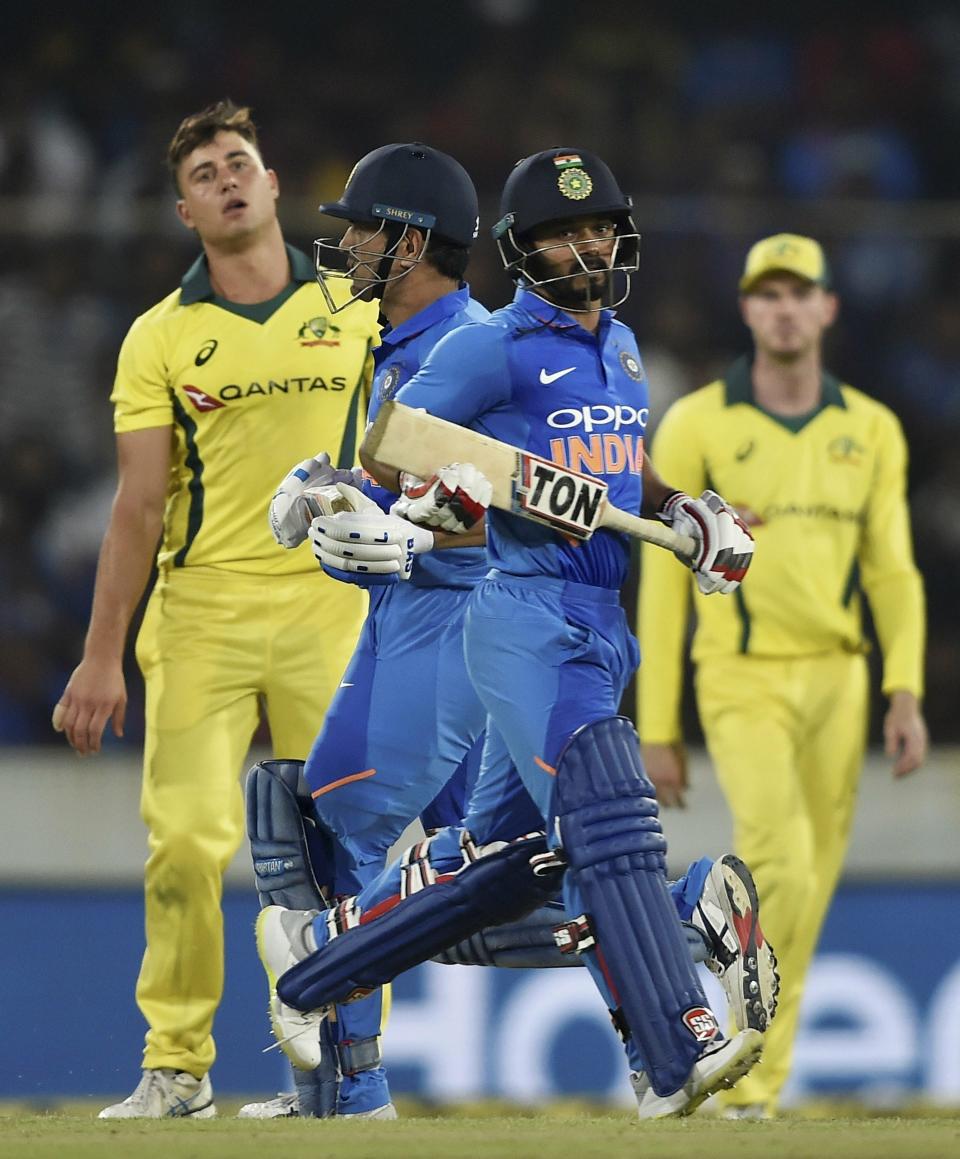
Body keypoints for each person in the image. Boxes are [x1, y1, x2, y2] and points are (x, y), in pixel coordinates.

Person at [253, 147, 770, 1119]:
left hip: (601, 616)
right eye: (562, 233)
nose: (587, 244)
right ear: (520, 251)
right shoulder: (489, 345)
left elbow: (621, 465)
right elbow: (397, 444)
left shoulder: (619, 347)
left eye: (599, 227)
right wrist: (393, 502)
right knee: (607, 803)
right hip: (524, 611)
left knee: (504, 868)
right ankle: (674, 1048)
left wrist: (685, 509)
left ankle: (318, 959)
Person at [51, 100, 379, 1119]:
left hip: (334, 605)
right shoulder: (160, 336)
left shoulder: (358, 307)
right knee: (187, 841)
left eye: (243, 162)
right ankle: (178, 1067)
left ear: (275, 185)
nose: (229, 179)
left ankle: (336, 1073)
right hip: (200, 616)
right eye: (206, 174)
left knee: (349, 848)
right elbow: (137, 507)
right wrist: (101, 657)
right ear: (186, 210)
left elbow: (407, 445)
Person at [637, 233, 928, 1118]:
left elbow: (892, 569)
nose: (785, 309)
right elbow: (660, 571)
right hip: (740, 673)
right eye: (768, 294)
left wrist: (902, 688)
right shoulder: (696, 423)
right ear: (747, 308)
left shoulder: (870, 428)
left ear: (829, 307)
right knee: (785, 866)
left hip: (840, 679)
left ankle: (757, 1085)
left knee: (810, 885)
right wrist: (658, 723)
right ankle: (725, 1057)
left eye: (801, 293)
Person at [242, 142, 491, 1120]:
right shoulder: (402, 342)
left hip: (458, 625)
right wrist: (326, 487)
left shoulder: (463, 345)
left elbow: (488, 505)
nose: (343, 245)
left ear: (413, 241)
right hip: (410, 617)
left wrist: (387, 520)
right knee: (475, 850)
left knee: (351, 826)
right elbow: (392, 491)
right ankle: (347, 1085)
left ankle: (682, 959)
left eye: (361, 229)